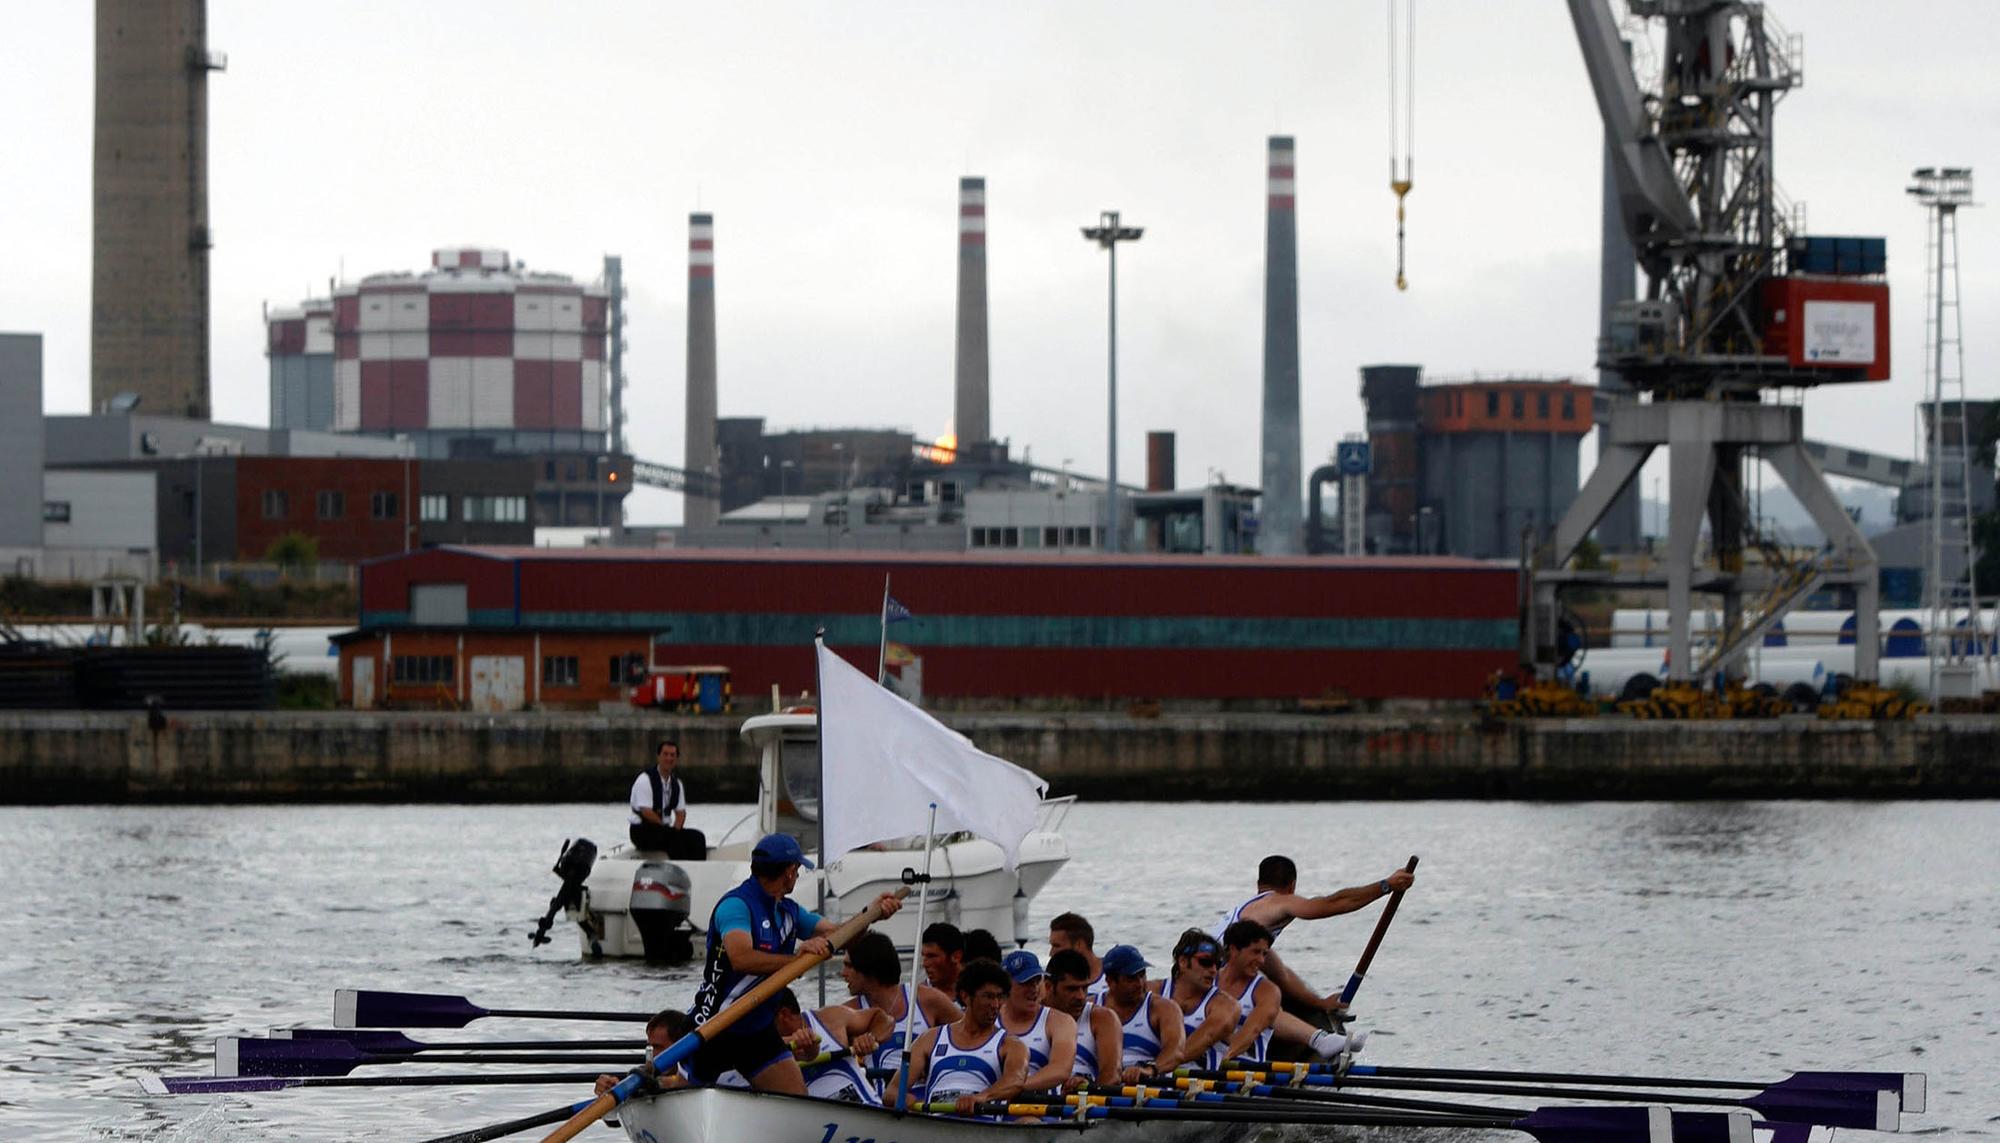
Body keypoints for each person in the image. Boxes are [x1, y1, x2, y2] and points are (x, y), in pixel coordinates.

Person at [685, 832, 902, 1094]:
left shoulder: (789, 911)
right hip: (716, 1024)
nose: (797, 875)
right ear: (789, 872)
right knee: (683, 1092)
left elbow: (839, 936)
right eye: (797, 869)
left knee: (796, 1096)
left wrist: (871, 914)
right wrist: (797, 959)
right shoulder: (736, 905)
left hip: (757, 1029)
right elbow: (740, 958)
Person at [1211, 854, 1415, 1012]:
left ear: (1259, 885)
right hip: (1213, 984)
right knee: (1269, 998)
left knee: (1272, 990)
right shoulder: (1281, 901)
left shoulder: (1249, 923)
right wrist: (1386, 885)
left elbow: (1281, 975)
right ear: (1292, 886)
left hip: (1196, 979)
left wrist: (1320, 1004)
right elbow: (1332, 904)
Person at [902, 958, 1028, 1116]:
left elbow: (1015, 1081)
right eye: (988, 996)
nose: (995, 1005)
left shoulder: (1011, 1044)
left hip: (982, 1124)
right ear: (966, 996)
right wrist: (905, 1100)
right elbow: (892, 1091)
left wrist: (980, 1097)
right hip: (934, 1124)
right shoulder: (930, 1039)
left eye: (999, 997)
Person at [843, 928, 961, 1087]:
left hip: (924, 1101)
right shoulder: (848, 1013)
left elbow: (972, 1035)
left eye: (849, 966)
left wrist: (938, 1061)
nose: (843, 973)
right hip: (878, 1103)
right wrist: (856, 1053)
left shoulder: (927, 999)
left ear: (869, 970)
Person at [772, 987, 890, 1105]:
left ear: (784, 1015)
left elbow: (882, 1018)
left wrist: (871, 1038)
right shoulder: (759, 1051)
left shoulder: (830, 1019)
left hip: (868, 1114)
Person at [1095, 943, 1184, 1083]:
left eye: (1142, 975)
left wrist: (1150, 1069)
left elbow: (1176, 1052)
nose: (1140, 984)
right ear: (1110, 981)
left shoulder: (1164, 1008)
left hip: (1149, 1092)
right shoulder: (1092, 1008)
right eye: (1131, 978)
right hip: (1104, 1088)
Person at [996, 950, 1077, 1094]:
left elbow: (1060, 1069)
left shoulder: (1060, 1021)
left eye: (1036, 980)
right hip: (993, 1106)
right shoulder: (989, 1018)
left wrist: (1011, 1087)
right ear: (1005, 986)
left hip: (1039, 1110)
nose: (1034, 989)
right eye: (1026, 983)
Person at [1160, 929, 1238, 1074]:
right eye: (1206, 962)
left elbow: (1204, 1039)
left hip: (1197, 1089)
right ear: (1182, 962)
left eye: (1218, 964)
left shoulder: (1225, 1005)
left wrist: (1152, 1068)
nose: (1214, 970)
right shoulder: (1153, 992)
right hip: (1152, 1082)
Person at [1045, 948, 1122, 1090]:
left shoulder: (1103, 1018)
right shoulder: (1032, 1017)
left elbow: (1112, 1076)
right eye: (1071, 989)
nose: (1081, 996)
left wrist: (1088, 1089)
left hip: (1082, 1104)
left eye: (1084, 988)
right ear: (1048, 986)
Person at [1211, 920, 1282, 1066]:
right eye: (1255, 952)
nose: (1261, 960)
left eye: (1264, 954)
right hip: (1201, 1066)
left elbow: (1251, 1032)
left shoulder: (1267, 991)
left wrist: (1223, 1061)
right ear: (1233, 949)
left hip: (1243, 1072)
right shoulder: (1208, 980)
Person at [628, 739, 706, 859]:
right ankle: (680, 870)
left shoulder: (677, 784)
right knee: (673, 839)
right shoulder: (645, 780)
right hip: (641, 831)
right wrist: (668, 830)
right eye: (665, 754)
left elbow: (680, 813)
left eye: (672, 755)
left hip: (663, 830)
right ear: (658, 756)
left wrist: (676, 830)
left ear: (676, 759)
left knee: (697, 837)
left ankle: (699, 870)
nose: (669, 759)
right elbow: (646, 812)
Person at [594, 1009, 689, 1098]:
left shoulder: (701, 1074)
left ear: (683, 1047)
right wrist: (611, 1089)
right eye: (650, 1048)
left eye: (659, 1047)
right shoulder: (644, 1077)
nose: (652, 1056)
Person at [1047, 912, 1108, 1002]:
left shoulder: (1115, 974)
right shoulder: (1048, 983)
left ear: (1078, 945)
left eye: (1057, 946)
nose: (1051, 953)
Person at [921, 922, 966, 995]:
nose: (924, 964)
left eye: (932, 956)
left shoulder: (979, 993)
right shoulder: (916, 997)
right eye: (924, 956)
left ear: (956, 957)